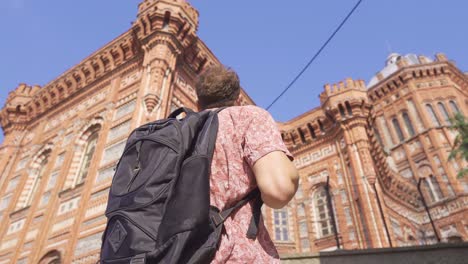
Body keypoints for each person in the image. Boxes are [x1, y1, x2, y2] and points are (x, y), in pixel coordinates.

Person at [195, 65, 299, 263]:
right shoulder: (248, 117)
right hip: (237, 255)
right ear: (238, 100)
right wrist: (293, 175)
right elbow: (279, 191)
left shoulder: (181, 132)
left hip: (185, 253)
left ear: (197, 104)